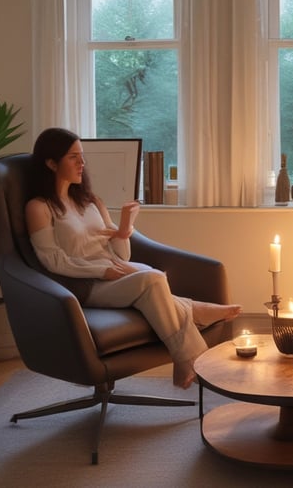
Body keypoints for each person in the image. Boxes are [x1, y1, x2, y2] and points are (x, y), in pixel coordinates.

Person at [25, 127, 242, 389]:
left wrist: (124, 229)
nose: (82, 163)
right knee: (151, 279)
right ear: (51, 162)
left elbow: (121, 254)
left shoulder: (91, 201)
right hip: (84, 285)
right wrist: (101, 272)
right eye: (73, 157)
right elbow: (52, 261)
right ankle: (189, 343)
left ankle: (192, 319)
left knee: (154, 276)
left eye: (82, 155)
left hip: (113, 269)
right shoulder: (39, 208)